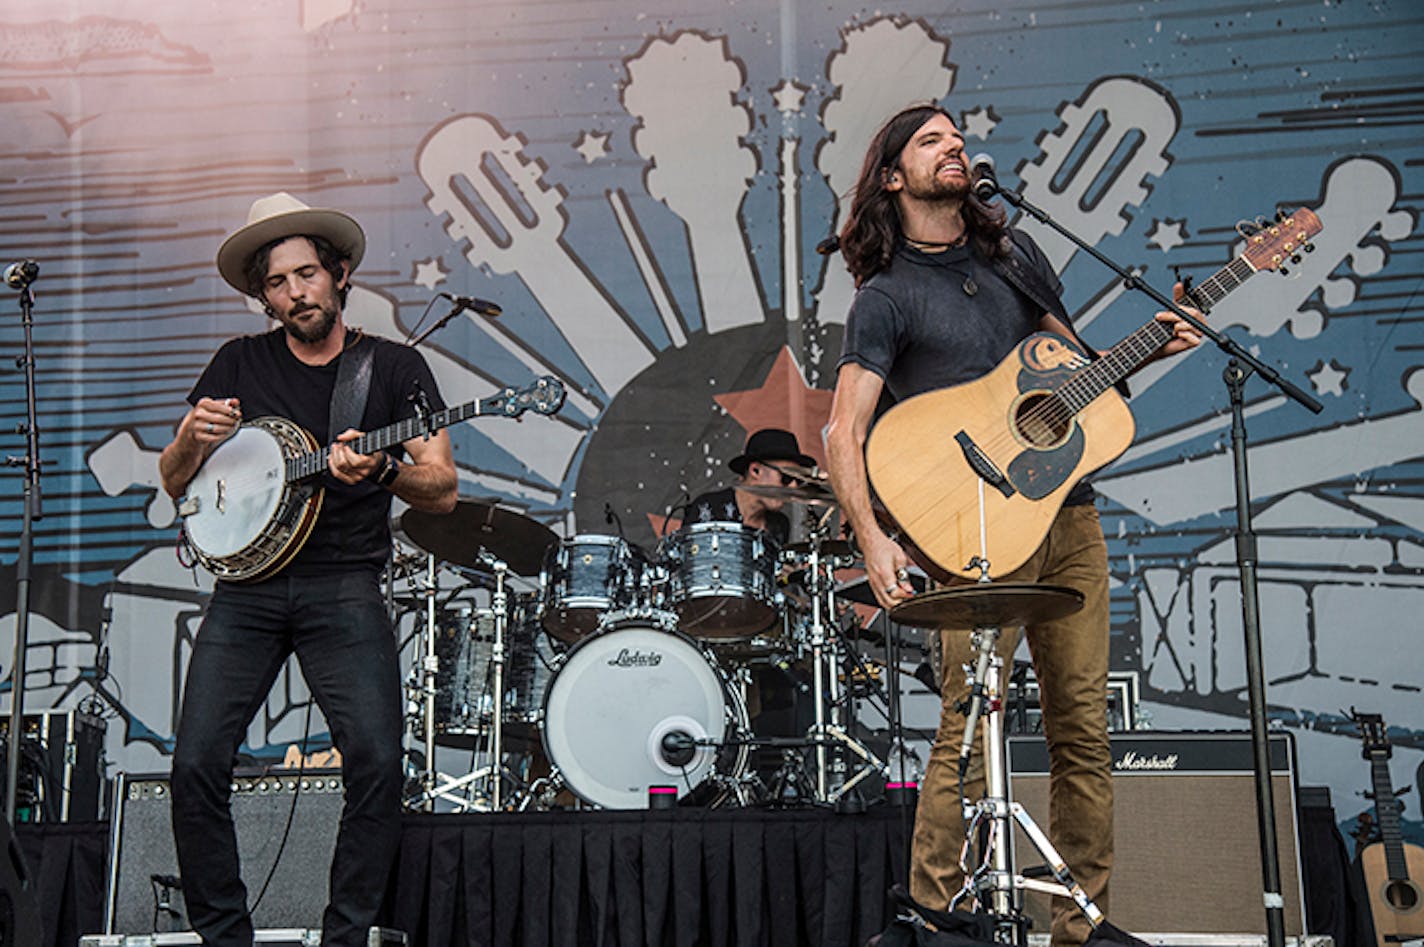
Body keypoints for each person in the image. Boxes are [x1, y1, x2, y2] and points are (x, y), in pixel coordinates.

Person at [822, 105, 1202, 944]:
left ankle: (1083, 922)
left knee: (1082, 728)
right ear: (893, 177)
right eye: (931, 140)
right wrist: (874, 538)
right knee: (964, 724)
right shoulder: (885, 299)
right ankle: (934, 913)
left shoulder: (1016, 256)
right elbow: (839, 432)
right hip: (974, 529)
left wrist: (1154, 346)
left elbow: (1074, 372)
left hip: (1067, 520)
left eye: (959, 137)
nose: (954, 146)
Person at [158, 193, 458, 946]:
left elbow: (443, 489)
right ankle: (225, 933)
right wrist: (192, 438)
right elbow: (174, 480)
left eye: (308, 275)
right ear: (265, 296)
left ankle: (347, 932)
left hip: (344, 585)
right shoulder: (237, 361)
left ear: (341, 273)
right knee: (195, 762)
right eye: (279, 283)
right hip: (247, 592)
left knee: (377, 761)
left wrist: (385, 467)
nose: (296, 293)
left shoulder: (391, 367)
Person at [686, 427, 818, 546]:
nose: (794, 487)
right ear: (755, 471)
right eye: (786, 477)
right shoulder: (707, 508)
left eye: (798, 480)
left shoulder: (779, 525)